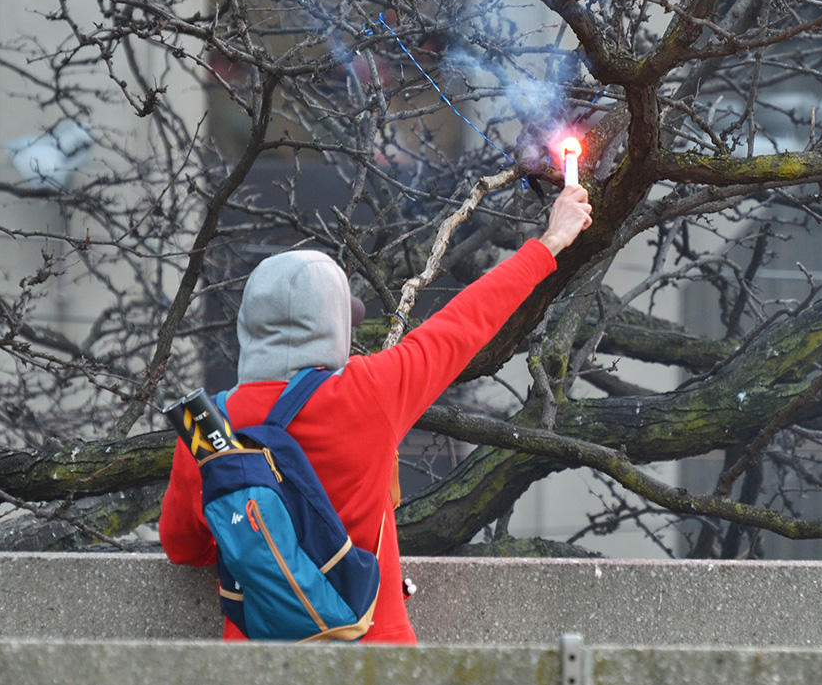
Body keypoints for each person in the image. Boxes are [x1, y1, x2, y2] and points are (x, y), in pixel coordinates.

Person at [159, 183, 594, 643]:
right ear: (331, 327)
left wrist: (265, 541)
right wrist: (550, 242)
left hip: (253, 661)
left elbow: (183, 547)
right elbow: (466, 321)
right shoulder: (369, 392)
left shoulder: (208, 427)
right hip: (372, 652)